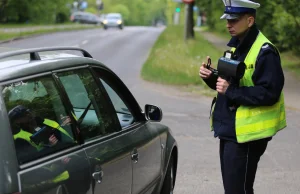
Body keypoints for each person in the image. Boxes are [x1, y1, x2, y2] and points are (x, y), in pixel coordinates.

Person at [199, 0, 287, 193]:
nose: (228, 24)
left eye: (234, 19)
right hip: (231, 130)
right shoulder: (237, 46)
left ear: (249, 20)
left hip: (247, 137)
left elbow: (269, 93)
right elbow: (229, 86)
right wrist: (211, 77)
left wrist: (230, 90)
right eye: (227, 19)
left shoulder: (265, 52)